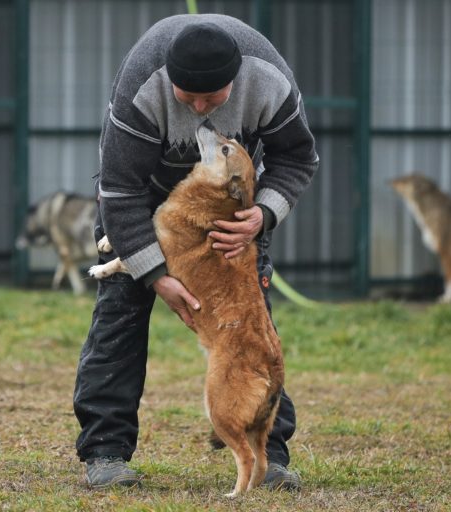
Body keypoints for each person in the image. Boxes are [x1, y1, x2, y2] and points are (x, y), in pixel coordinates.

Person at [73, 13, 319, 490]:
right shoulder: (142, 83)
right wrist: (154, 274)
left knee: (251, 330)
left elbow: (298, 157)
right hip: (145, 201)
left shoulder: (269, 78)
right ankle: (105, 453)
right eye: (189, 97)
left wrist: (263, 214)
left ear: (237, 79)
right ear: (169, 79)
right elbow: (120, 190)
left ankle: (272, 457)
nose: (202, 108)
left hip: (229, 213)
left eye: (215, 97)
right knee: (119, 316)